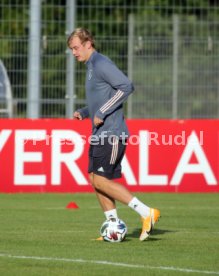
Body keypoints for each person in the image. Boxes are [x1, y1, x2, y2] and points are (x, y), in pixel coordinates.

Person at [67, 28, 160, 241]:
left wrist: (101, 111)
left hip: (112, 133)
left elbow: (126, 86)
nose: (73, 52)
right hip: (100, 132)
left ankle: (147, 213)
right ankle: (112, 227)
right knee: (95, 179)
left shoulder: (100, 63)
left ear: (88, 43)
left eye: (76, 48)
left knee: (100, 180)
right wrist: (86, 111)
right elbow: (102, 99)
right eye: (72, 49)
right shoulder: (91, 66)